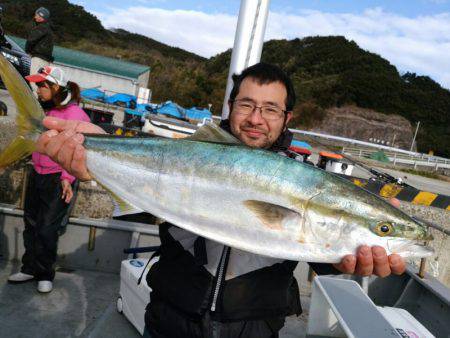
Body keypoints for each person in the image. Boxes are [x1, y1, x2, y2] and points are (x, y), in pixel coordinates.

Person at [35, 63, 406, 336]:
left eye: (271, 109)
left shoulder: (305, 180)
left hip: (253, 328)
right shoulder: (191, 152)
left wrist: (350, 262)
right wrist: (96, 163)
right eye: (246, 104)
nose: (256, 118)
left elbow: (321, 251)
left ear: (286, 117)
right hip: (171, 317)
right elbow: (152, 209)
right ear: (230, 107)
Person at [7, 66, 90, 293]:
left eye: (43, 85)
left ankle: (45, 273)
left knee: (46, 228)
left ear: (56, 87)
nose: (39, 89)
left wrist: (67, 178)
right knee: (31, 223)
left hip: (58, 179)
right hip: (37, 173)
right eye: (37, 85)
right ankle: (29, 268)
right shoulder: (44, 112)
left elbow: (78, 150)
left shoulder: (75, 115)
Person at [25, 7, 54, 77]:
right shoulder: (49, 29)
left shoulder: (42, 27)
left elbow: (31, 40)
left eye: (36, 15)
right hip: (46, 60)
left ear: (41, 16)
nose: (35, 17)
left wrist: (28, 51)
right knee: (41, 82)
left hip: (38, 59)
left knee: (34, 81)